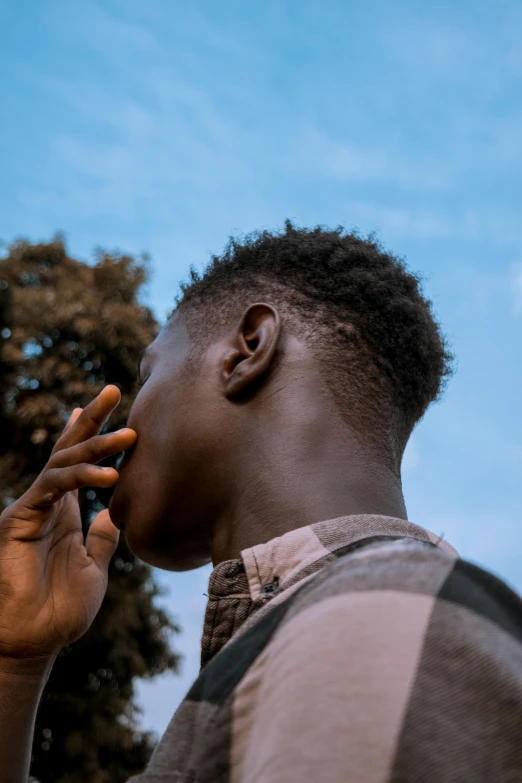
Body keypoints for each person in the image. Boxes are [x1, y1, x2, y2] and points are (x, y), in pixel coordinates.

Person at [0, 222, 520, 783]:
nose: (131, 412)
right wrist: (15, 664)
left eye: (146, 376)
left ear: (247, 349)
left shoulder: (379, 614)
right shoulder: (320, 638)